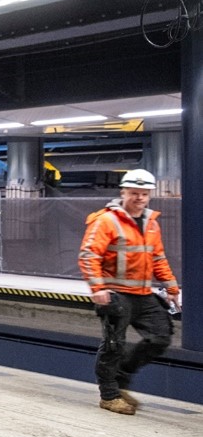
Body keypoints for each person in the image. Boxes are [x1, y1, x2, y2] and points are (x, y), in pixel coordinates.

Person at [77, 168, 181, 415]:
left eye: (144, 194)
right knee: (114, 344)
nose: (140, 198)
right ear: (123, 192)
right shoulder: (106, 220)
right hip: (115, 294)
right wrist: (98, 288)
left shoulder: (151, 223)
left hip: (143, 295)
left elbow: (158, 258)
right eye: (134, 193)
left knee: (160, 337)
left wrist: (171, 287)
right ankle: (110, 395)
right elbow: (88, 255)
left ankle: (121, 378)